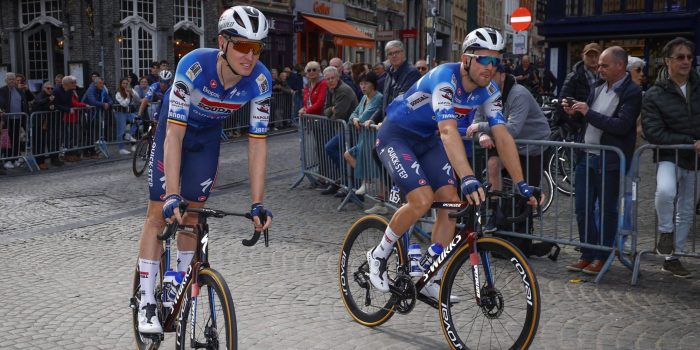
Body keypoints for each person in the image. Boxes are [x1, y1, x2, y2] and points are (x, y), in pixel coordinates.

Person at [365, 28, 537, 301]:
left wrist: (521, 183)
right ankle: (378, 255)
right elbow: (448, 131)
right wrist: (468, 175)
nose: (490, 67)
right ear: (466, 59)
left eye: (496, 61)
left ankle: (429, 273)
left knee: (452, 203)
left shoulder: (489, 90)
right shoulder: (445, 78)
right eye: (483, 59)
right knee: (421, 200)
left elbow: (502, 135)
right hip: (396, 136)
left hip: (428, 140)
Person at [135, 5, 274, 334]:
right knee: (159, 211)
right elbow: (174, 134)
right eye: (242, 45)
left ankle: (175, 281)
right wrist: (170, 194)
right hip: (174, 132)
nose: (249, 56)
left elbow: (257, 144)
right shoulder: (193, 65)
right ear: (222, 43)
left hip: (207, 140)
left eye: (256, 48)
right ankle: (146, 300)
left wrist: (257, 203)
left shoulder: (261, 80)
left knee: (193, 214)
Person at [562, 46, 641, 275]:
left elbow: (621, 125)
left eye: (605, 65)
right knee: (582, 208)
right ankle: (587, 253)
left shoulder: (631, 92)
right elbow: (588, 122)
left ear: (620, 66)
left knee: (607, 209)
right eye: (599, 65)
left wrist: (587, 112)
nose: (599, 69)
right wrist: (575, 113)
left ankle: (602, 256)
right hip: (587, 156)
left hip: (610, 159)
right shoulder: (597, 87)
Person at [467, 63, 550, 233]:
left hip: (531, 144)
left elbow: (512, 129)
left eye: (492, 75)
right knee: (492, 165)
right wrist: (482, 134)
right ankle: (495, 212)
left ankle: (523, 236)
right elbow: (475, 123)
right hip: (506, 140)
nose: (487, 79)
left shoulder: (519, 94)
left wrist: (481, 127)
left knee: (525, 193)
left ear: (502, 75)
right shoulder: (485, 93)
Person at [642, 37, 699, 278]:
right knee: (665, 191)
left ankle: (673, 257)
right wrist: (690, 142)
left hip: (696, 159)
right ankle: (666, 233)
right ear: (668, 61)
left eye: (689, 56)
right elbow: (653, 131)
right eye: (680, 57)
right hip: (669, 154)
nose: (686, 61)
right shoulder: (654, 94)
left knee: (686, 209)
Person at [365, 40, 421, 214]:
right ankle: (396, 196)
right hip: (391, 128)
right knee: (379, 154)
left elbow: (403, 103)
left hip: (404, 128)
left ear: (403, 53)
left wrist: (387, 120)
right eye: (390, 54)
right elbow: (385, 101)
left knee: (394, 160)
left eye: (397, 52)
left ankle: (405, 200)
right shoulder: (390, 73)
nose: (394, 56)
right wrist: (373, 118)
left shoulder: (411, 73)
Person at [320, 66, 358, 196]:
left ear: (338, 77)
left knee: (330, 148)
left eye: (333, 78)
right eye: (328, 79)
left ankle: (350, 181)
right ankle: (345, 180)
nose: (330, 81)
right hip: (342, 129)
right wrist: (331, 109)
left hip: (351, 129)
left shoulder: (343, 90)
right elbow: (325, 110)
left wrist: (331, 112)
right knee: (337, 151)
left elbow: (339, 115)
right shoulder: (331, 90)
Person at [343, 71, 383, 196]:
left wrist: (356, 119)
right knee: (348, 155)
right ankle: (367, 180)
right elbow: (353, 114)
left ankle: (381, 196)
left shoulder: (378, 97)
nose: (363, 86)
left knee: (378, 168)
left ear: (373, 84)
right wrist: (354, 119)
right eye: (361, 83)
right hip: (363, 137)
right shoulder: (364, 98)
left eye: (366, 83)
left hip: (373, 137)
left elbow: (364, 116)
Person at [0, 72, 34, 168]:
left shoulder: (19, 91)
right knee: (7, 140)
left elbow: (28, 100)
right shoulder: (2, 91)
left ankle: (14, 159)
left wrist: (27, 91)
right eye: (9, 79)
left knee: (16, 140)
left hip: (18, 119)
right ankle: (7, 160)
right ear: (6, 80)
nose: (12, 81)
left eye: (13, 79)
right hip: (6, 120)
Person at [31, 81, 63, 169]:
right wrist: (48, 101)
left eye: (51, 88)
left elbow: (55, 106)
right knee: (39, 142)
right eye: (48, 88)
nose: (50, 90)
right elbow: (38, 102)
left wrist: (53, 108)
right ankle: (39, 161)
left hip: (49, 122)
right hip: (38, 122)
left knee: (52, 140)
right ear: (43, 88)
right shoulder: (41, 95)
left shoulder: (52, 96)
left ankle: (54, 158)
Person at [82, 77, 113, 159]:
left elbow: (110, 99)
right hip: (86, 114)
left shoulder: (102, 90)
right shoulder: (91, 90)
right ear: (95, 84)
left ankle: (91, 151)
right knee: (88, 134)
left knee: (93, 133)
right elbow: (92, 101)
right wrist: (103, 104)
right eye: (100, 83)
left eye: (103, 83)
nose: (102, 85)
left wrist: (108, 104)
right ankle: (86, 152)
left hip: (95, 114)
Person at [114, 77, 139, 154]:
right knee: (120, 131)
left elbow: (137, 99)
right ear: (120, 84)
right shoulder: (118, 93)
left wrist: (132, 93)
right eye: (123, 83)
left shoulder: (129, 89)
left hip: (127, 112)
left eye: (126, 83)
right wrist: (128, 96)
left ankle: (129, 134)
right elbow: (124, 104)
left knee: (138, 120)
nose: (125, 85)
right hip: (120, 112)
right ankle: (121, 148)